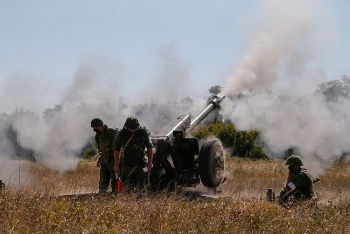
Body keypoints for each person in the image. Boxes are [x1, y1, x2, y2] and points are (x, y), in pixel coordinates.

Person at [113, 116, 153, 190]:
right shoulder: (121, 134)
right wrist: (116, 164)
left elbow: (150, 147)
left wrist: (150, 162)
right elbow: (116, 149)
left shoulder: (144, 133)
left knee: (142, 188)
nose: (132, 131)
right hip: (127, 165)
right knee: (127, 187)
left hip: (141, 164)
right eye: (130, 129)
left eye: (134, 129)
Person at [91, 118, 118, 193]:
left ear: (101, 125)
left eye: (96, 127)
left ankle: (116, 195)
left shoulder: (112, 132)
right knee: (103, 180)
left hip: (112, 159)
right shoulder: (97, 136)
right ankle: (102, 197)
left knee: (114, 179)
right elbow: (100, 148)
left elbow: (119, 144)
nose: (95, 129)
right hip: (103, 160)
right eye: (93, 127)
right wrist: (99, 159)